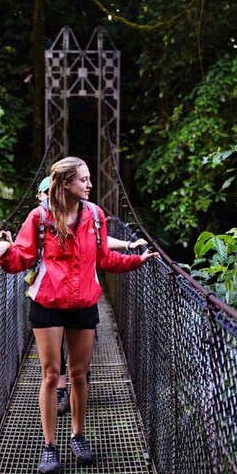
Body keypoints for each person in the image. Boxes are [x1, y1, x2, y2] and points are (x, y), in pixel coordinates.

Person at [0, 157, 157, 474]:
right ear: (65, 184)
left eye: (90, 179)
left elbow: (103, 258)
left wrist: (135, 261)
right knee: (50, 375)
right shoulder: (39, 217)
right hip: (48, 303)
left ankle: (78, 436)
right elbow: (23, 258)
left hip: (84, 302)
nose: (90, 185)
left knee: (78, 375)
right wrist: (6, 252)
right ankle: (49, 446)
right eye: (83, 180)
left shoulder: (96, 216)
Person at [34, 175, 146, 416]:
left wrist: (129, 248)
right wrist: (7, 249)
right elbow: (23, 250)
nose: (44, 199)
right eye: (42, 194)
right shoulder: (40, 218)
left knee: (77, 357)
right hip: (48, 295)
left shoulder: (88, 217)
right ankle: (61, 393)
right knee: (53, 361)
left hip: (82, 294)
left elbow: (100, 246)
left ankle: (75, 387)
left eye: (46, 193)